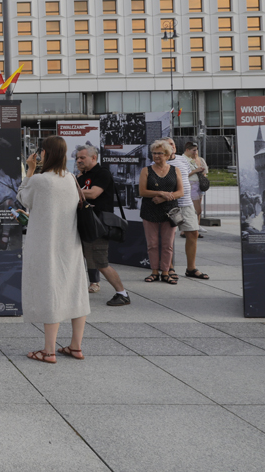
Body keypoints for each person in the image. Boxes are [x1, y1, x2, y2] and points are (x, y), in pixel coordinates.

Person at [18, 136, 90, 363]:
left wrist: (29, 170)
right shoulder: (70, 178)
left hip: (45, 245)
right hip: (70, 243)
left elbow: (23, 198)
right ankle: (76, 347)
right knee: (75, 292)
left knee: (51, 292)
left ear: (45, 154)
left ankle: (48, 351)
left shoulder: (40, 180)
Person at [75, 145, 130, 306]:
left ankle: (122, 294)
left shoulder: (102, 173)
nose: (79, 160)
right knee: (86, 261)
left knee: (101, 263)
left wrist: (71, 188)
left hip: (97, 226)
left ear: (93, 158)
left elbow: (93, 193)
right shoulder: (81, 177)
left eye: (82, 157)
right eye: (78, 157)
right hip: (84, 225)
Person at [138, 139, 185, 284]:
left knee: (167, 244)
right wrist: (161, 193)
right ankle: (154, 272)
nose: (156, 156)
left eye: (160, 153)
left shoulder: (174, 170)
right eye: (154, 153)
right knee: (152, 244)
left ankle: (165, 272)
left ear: (167, 154)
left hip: (170, 211)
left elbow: (180, 192)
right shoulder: (146, 170)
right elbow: (142, 191)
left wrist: (164, 198)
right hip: (150, 211)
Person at [166, 138, 209, 280]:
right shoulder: (158, 161)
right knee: (169, 237)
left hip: (186, 202)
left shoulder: (182, 159)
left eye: (172, 143)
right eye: (168, 144)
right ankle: (169, 268)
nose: (171, 146)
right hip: (169, 204)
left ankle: (191, 268)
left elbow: (187, 176)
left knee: (193, 233)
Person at [184, 142, 209, 230]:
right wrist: (196, 170)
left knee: (197, 209)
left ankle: (195, 228)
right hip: (190, 185)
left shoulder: (191, 159)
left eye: (196, 150)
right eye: (193, 150)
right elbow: (182, 175)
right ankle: (189, 229)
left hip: (197, 185)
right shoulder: (184, 160)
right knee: (195, 209)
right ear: (187, 150)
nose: (196, 152)